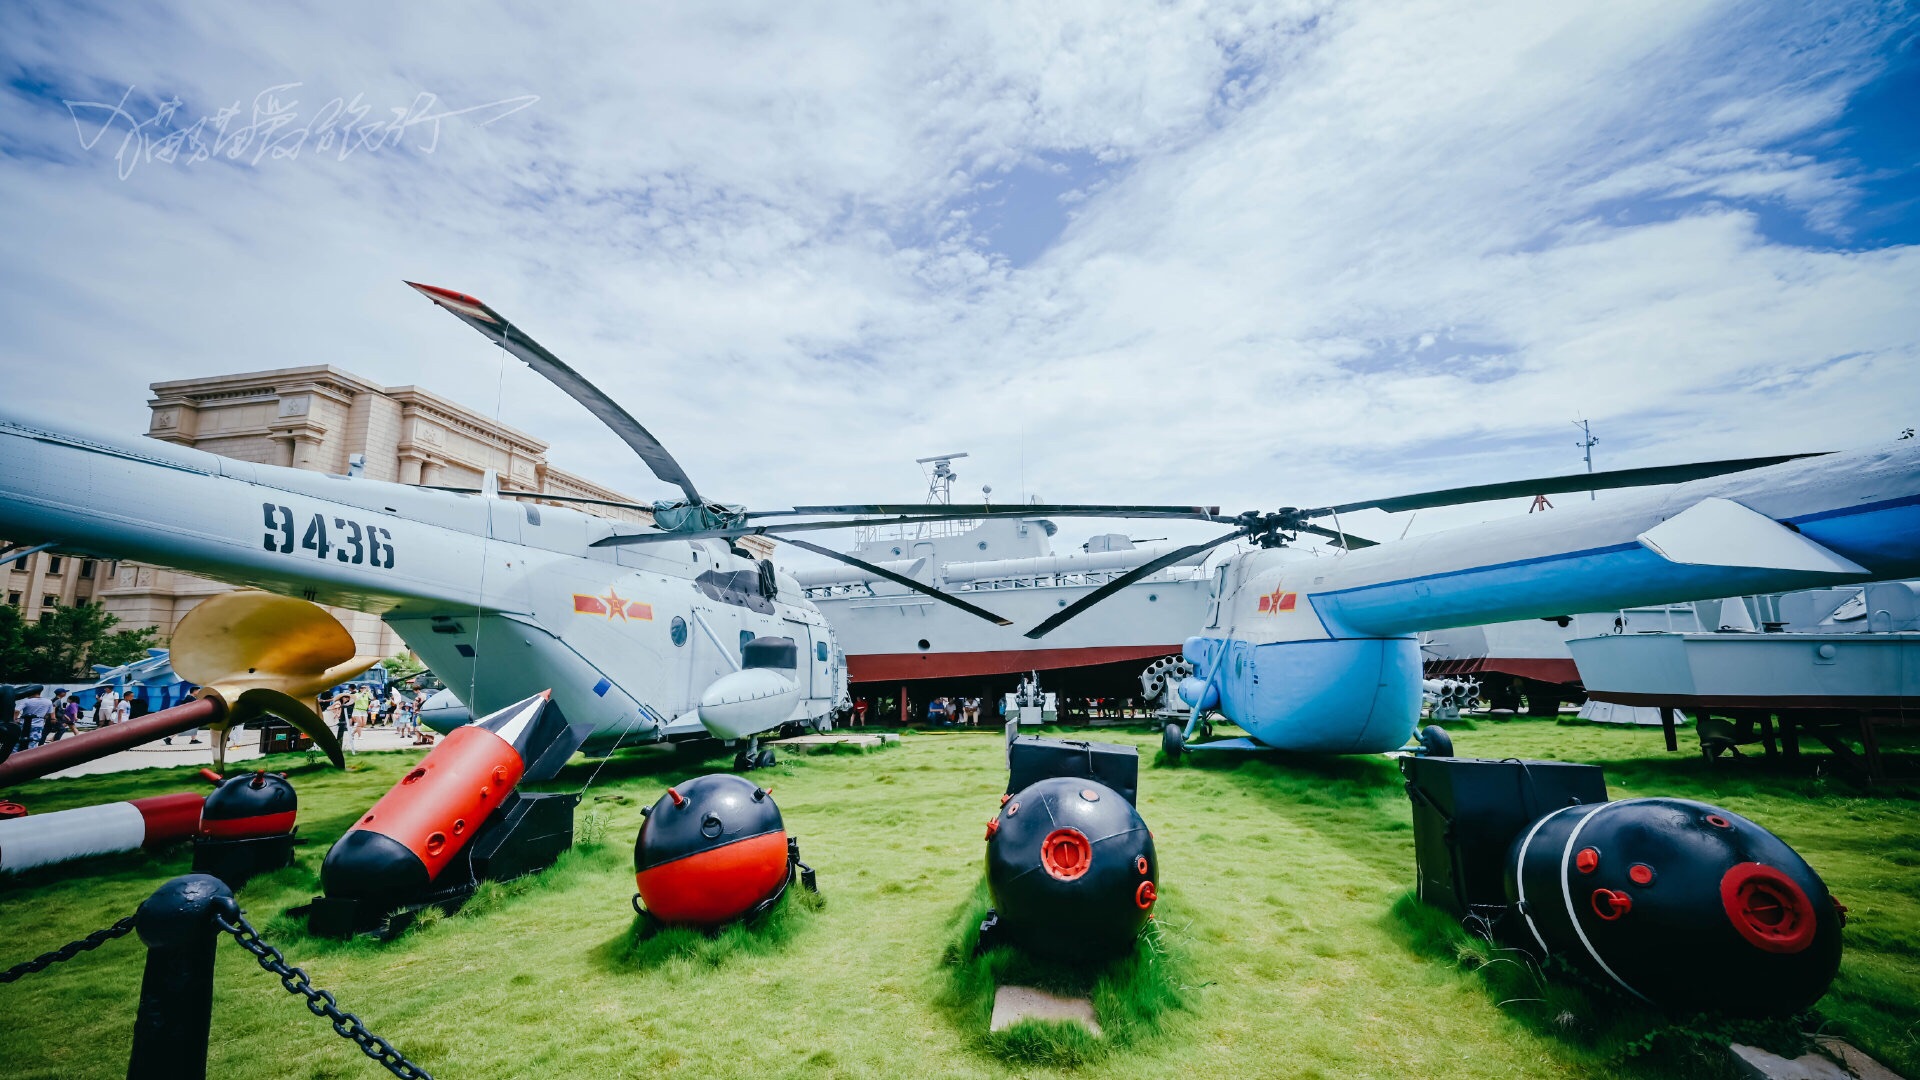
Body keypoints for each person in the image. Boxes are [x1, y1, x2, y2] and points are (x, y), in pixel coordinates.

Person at [350, 684, 373, 753]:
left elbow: (371, 698)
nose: (364, 689)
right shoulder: (356, 694)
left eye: (365, 688)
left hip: (364, 710)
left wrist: (369, 691)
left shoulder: (367, 694)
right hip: (357, 710)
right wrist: (363, 692)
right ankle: (359, 736)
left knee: (363, 724)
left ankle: (352, 734)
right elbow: (357, 699)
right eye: (363, 688)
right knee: (359, 723)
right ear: (360, 689)